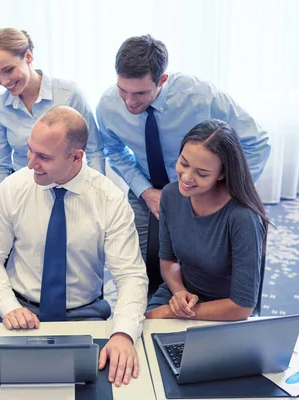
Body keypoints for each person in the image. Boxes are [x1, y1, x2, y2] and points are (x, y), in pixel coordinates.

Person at [0, 106, 148, 387]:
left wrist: (123, 334)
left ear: (76, 157)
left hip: (84, 316)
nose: (31, 163)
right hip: (19, 312)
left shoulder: (109, 200)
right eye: (30, 150)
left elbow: (130, 275)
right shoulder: (12, 189)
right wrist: (8, 307)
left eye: (43, 157)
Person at [96, 34, 270, 295]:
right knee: (137, 266)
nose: (130, 101)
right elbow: (114, 149)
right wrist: (145, 191)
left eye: (140, 93)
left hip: (203, 188)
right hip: (148, 186)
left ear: (162, 80)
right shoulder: (108, 105)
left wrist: (223, 192)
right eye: (123, 90)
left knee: (214, 267)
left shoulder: (201, 96)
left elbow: (257, 143)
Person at [145, 119, 268, 321]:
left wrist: (173, 313)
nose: (186, 177)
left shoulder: (243, 218)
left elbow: (242, 306)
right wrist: (179, 293)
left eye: (202, 173)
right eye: (183, 163)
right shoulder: (171, 195)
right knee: (139, 338)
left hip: (224, 309)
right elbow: (168, 260)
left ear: (222, 174)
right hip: (181, 293)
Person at [0, 28, 105, 193]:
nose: (3, 81)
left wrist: (96, 194)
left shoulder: (69, 94)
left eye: (8, 70)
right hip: (26, 192)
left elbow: (94, 150)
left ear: (28, 56)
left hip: (73, 188)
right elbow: (1, 165)